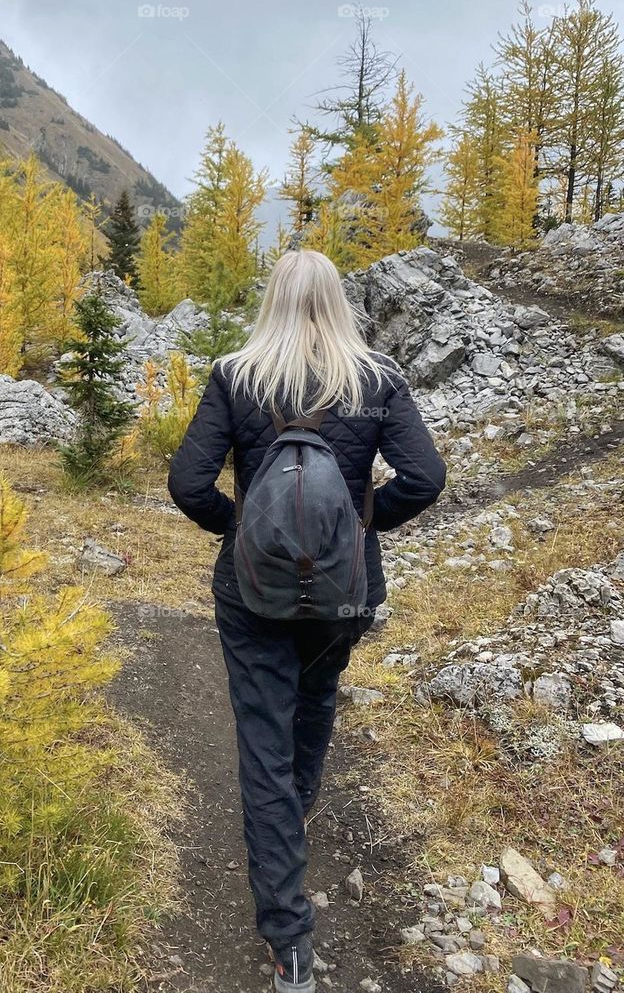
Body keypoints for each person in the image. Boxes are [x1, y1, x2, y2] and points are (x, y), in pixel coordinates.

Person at [168, 249, 446, 993]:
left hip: (251, 591)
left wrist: (241, 530)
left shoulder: (238, 374)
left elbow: (188, 483)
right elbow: (426, 477)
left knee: (264, 740)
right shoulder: (377, 377)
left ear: (273, 300)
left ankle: (289, 941)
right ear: (337, 300)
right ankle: (291, 822)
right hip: (344, 593)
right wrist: (358, 531)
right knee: (316, 702)